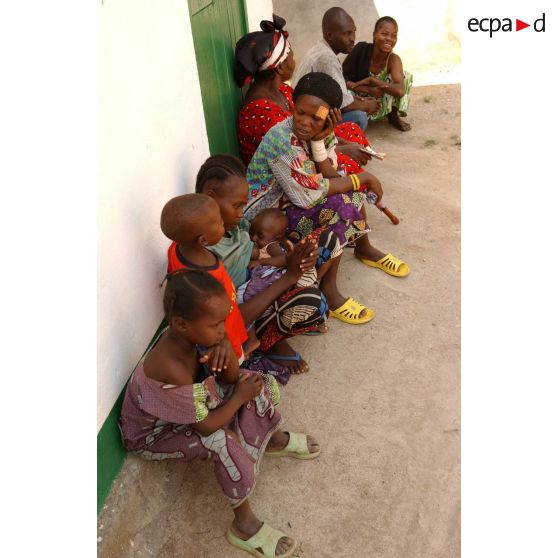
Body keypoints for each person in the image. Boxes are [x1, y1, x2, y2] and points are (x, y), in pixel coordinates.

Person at [119, 269, 320, 558]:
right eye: (217, 324)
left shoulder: (192, 336)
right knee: (220, 440)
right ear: (181, 324)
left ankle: (271, 440)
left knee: (252, 380)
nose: (223, 329)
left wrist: (224, 348)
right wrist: (238, 397)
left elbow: (229, 378)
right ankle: (244, 524)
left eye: (223, 321)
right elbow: (207, 428)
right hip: (153, 435)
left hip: (188, 409)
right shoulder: (170, 366)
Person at [246, 72, 410, 314]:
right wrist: (362, 178)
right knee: (341, 205)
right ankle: (328, 289)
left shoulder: (318, 132)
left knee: (351, 194)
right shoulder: (282, 139)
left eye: (316, 118)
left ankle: (363, 247)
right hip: (265, 222)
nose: (304, 122)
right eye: (300, 112)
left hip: (290, 203)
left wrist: (320, 140)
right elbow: (309, 195)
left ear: (330, 116)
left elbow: (330, 174)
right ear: (294, 106)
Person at [196, 155, 332, 379]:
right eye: (237, 205)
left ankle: (304, 299)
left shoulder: (238, 226)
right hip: (246, 310)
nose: (242, 212)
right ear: (211, 196)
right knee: (312, 302)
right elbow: (232, 318)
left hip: (263, 279)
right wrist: (289, 277)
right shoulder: (206, 254)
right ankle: (271, 342)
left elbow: (265, 251)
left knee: (325, 240)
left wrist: (297, 257)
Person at [234, 14, 373, 173]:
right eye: (291, 58)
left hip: (309, 143)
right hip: (286, 168)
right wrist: (343, 149)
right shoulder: (260, 112)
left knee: (352, 131)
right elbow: (297, 154)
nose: (294, 62)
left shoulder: (282, 90)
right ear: (280, 68)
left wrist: (336, 139)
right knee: (346, 162)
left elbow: (315, 117)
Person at [161, 193, 249, 363]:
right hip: (224, 330)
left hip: (214, 320)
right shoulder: (208, 276)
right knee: (233, 360)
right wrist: (224, 342)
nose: (223, 222)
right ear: (203, 240)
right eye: (219, 223)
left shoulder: (175, 249)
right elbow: (217, 314)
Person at [291, 7, 380, 133]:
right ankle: (329, 144)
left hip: (309, 106)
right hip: (307, 114)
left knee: (355, 99)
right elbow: (342, 103)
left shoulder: (321, 49)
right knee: (359, 117)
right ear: (329, 35)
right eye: (347, 34)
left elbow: (339, 92)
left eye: (353, 32)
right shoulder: (327, 58)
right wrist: (366, 105)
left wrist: (362, 101)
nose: (352, 38)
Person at [343, 16, 412, 132]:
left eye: (394, 35)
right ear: (375, 34)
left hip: (380, 100)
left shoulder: (393, 59)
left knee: (404, 76)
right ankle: (358, 118)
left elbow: (400, 91)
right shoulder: (361, 50)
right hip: (359, 97)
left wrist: (373, 80)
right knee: (344, 92)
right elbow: (341, 79)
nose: (389, 39)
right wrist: (369, 90)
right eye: (384, 34)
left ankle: (392, 115)